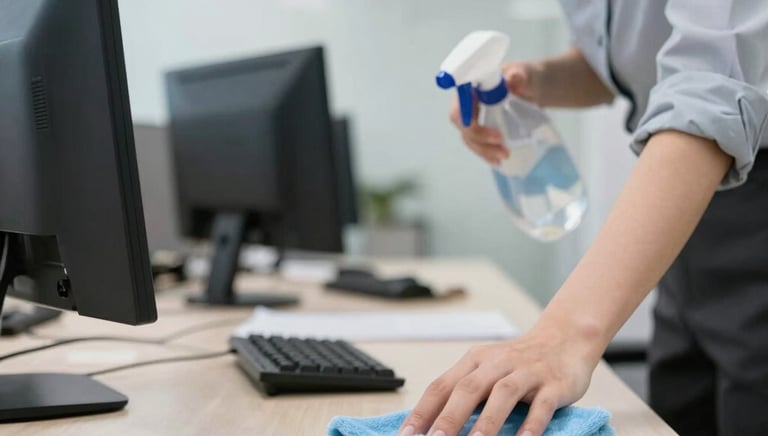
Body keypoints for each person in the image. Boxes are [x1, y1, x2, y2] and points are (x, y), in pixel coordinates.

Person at [398, 2, 768, 436]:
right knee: (678, 411)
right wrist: (537, 81)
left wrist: (563, 337)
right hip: (685, 224)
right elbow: (629, 63)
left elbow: (713, 87)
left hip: (741, 195)